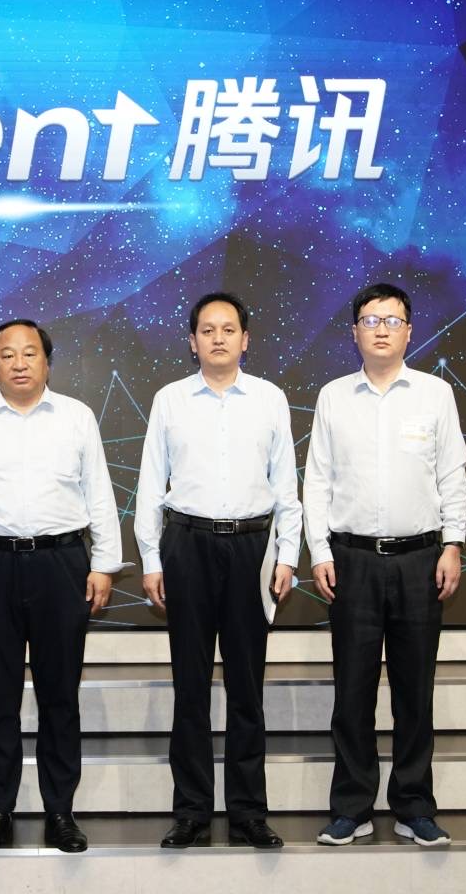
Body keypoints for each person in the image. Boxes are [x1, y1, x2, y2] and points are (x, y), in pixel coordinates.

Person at [0, 319, 121, 855]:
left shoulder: (76, 417)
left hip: (62, 565)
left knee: (60, 696)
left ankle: (61, 811)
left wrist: (104, 565)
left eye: (30, 353)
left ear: (47, 361)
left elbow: (100, 494)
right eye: (8, 354)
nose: (19, 363)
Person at [134, 292, 303, 850]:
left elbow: (286, 487)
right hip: (187, 545)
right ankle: (192, 812)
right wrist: (152, 559)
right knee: (191, 686)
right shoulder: (170, 400)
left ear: (245, 339)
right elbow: (150, 485)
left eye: (229, 329)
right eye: (207, 330)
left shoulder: (270, 399)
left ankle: (249, 812)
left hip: (253, 548)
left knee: (247, 687)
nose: (218, 338)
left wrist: (287, 554)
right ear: (192, 341)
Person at [304, 282, 466, 848]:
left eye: (392, 320)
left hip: (421, 559)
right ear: (354, 332)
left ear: (409, 331)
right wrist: (320, 551)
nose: (381, 329)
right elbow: (317, 481)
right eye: (371, 320)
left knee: (413, 691)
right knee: (352, 692)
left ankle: (414, 806)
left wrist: (453, 545)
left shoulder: (435, 394)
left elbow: (452, 475)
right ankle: (351, 808)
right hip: (351, 561)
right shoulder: (333, 397)